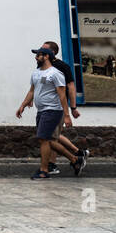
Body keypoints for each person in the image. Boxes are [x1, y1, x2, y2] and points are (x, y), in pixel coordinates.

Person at [16, 46, 75, 179]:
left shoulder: (55, 73)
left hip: (53, 110)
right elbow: (32, 91)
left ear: (46, 56)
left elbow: (62, 95)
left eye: (38, 55)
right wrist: (23, 105)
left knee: (43, 139)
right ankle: (75, 159)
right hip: (41, 110)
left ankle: (44, 171)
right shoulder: (36, 73)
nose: (36, 57)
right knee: (47, 139)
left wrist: (67, 115)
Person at [43, 40, 88, 175]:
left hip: (57, 107)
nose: (40, 51)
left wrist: (73, 107)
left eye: (43, 49)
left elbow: (71, 86)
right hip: (46, 107)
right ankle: (79, 153)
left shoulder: (62, 66)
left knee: (50, 136)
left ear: (52, 52)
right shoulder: (44, 66)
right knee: (53, 135)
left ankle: (58, 163)